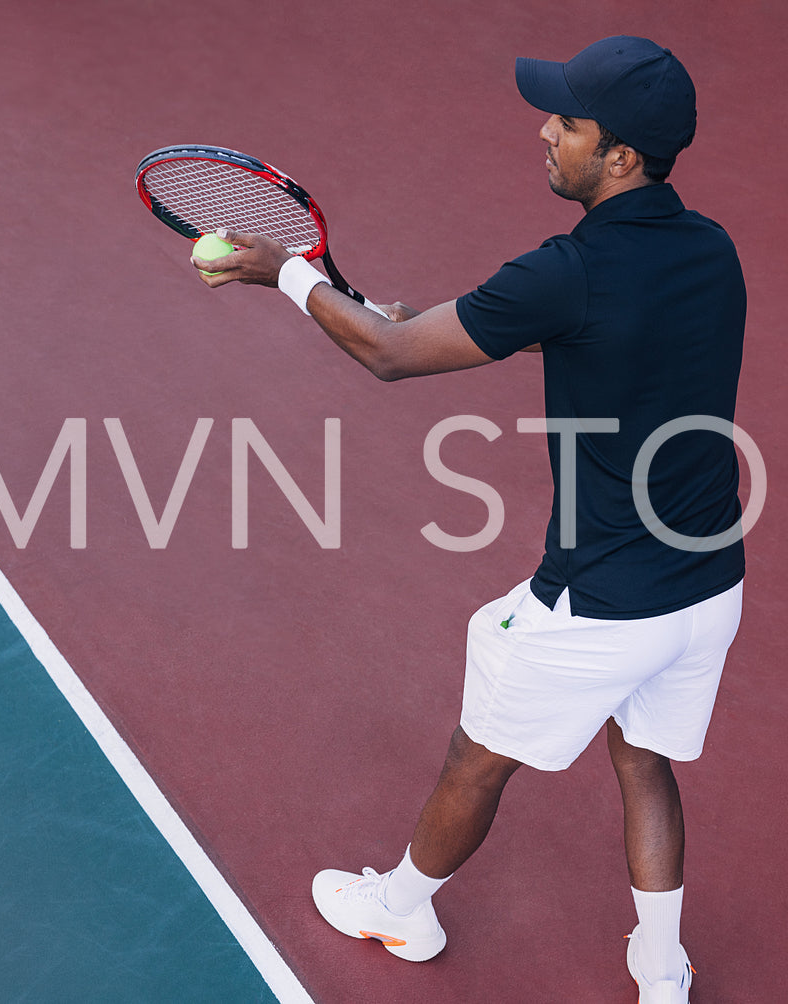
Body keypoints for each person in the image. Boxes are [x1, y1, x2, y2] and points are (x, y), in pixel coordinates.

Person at [190, 35, 747, 1004]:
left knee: (474, 754)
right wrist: (377, 311)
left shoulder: (565, 271)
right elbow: (503, 329)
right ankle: (660, 967)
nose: (544, 132)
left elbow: (393, 356)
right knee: (642, 756)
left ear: (618, 158)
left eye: (567, 125)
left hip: (600, 599)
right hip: (707, 586)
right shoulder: (710, 249)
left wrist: (284, 273)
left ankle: (403, 906)